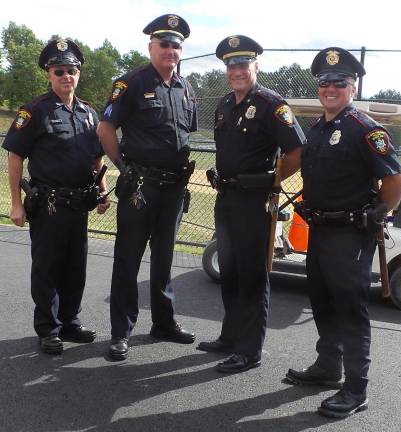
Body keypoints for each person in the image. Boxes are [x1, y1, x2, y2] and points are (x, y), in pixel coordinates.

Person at [285, 47, 401, 418]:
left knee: (350, 311)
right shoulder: (319, 128)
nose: (331, 88)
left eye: (340, 82)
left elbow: (396, 181)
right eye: (325, 82)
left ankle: (356, 389)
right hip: (320, 230)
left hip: (350, 234)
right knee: (322, 301)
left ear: (353, 87)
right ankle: (328, 368)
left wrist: (379, 212)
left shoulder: (365, 129)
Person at [197, 35, 305, 373]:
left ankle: (249, 349)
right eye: (231, 65)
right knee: (229, 270)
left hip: (254, 202)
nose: (237, 70)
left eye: (243, 64)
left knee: (252, 276)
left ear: (256, 65)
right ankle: (230, 337)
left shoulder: (273, 105)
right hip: (226, 197)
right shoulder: (225, 104)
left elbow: (297, 151)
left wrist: (273, 180)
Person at [97, 14, 198, 361]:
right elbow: (105, 129)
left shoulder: (186, 88)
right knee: (128, 260)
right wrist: (123, 168)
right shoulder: (130, 83)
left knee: (165, 259)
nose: (170, 50)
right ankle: (120, 332)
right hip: (140, 186)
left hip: (173, 190)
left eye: (176, 45)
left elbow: (186, 134)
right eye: (164, 44)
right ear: (150, 47)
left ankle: (164, 323)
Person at [2, 38, 110, 355]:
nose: (66, 76)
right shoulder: (34, 111)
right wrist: (16, 203)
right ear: (49, 74)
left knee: (76, 268)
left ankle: (70, 321)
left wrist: (102, 191)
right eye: (59, 70)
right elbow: (15, 158)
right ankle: (48, 328)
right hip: (48, 205)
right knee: (47, 268)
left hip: (79, 205)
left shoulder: (89, 114)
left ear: (79, 74)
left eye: (72, 70)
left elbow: (96, 158)